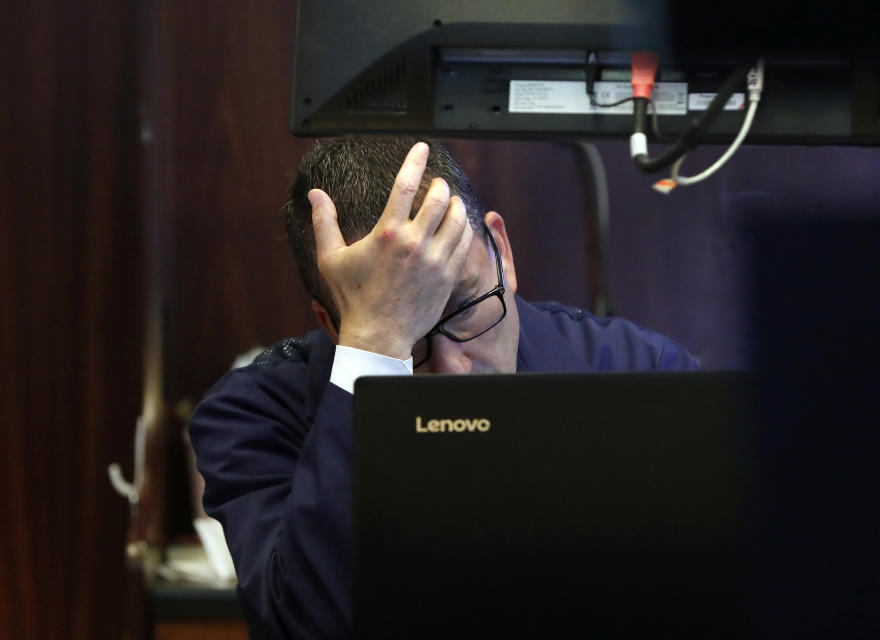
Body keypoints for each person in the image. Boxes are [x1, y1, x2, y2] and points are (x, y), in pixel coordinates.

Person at [190, 137, 699, 639]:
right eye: (410, 335)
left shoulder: (642, 372)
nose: (453, 371)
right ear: (332, 322)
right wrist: (374, 346)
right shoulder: (255, 415)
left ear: (502, 250)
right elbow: (308, 626)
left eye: (463, 307)